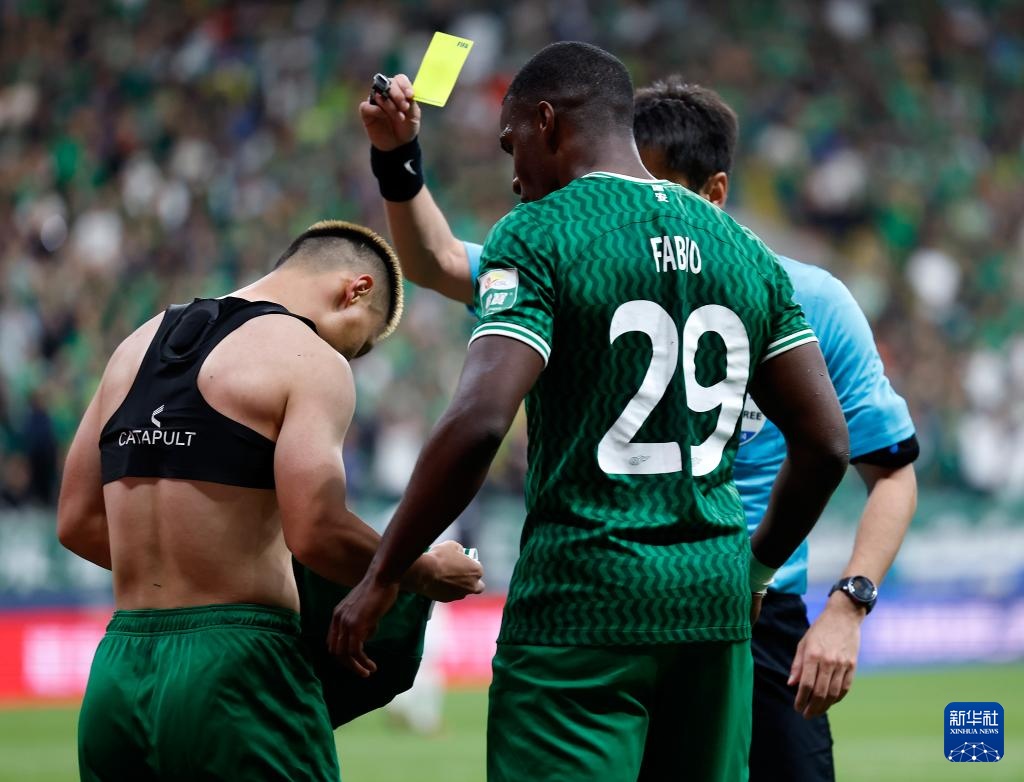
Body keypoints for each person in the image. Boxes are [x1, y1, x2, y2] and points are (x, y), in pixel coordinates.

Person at [360, 67, 919, 781]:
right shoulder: (603, 254)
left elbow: (886, 470)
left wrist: (846, 604)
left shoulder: (809, 296)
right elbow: (437, 259)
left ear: (714, 192)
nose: (639, 202)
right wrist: (400, 158)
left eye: (656, 184)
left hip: (727, 600)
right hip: (706, 589)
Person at [57, 220, 484, 781]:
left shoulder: (135, 347)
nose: (346, 356)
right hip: (238, 671)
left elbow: (77, 521)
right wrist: (423, 570)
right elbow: (317, 531)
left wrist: (189, 566)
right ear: (356, 290)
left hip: (119, 674)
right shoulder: (307, 357)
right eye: (357, 343)